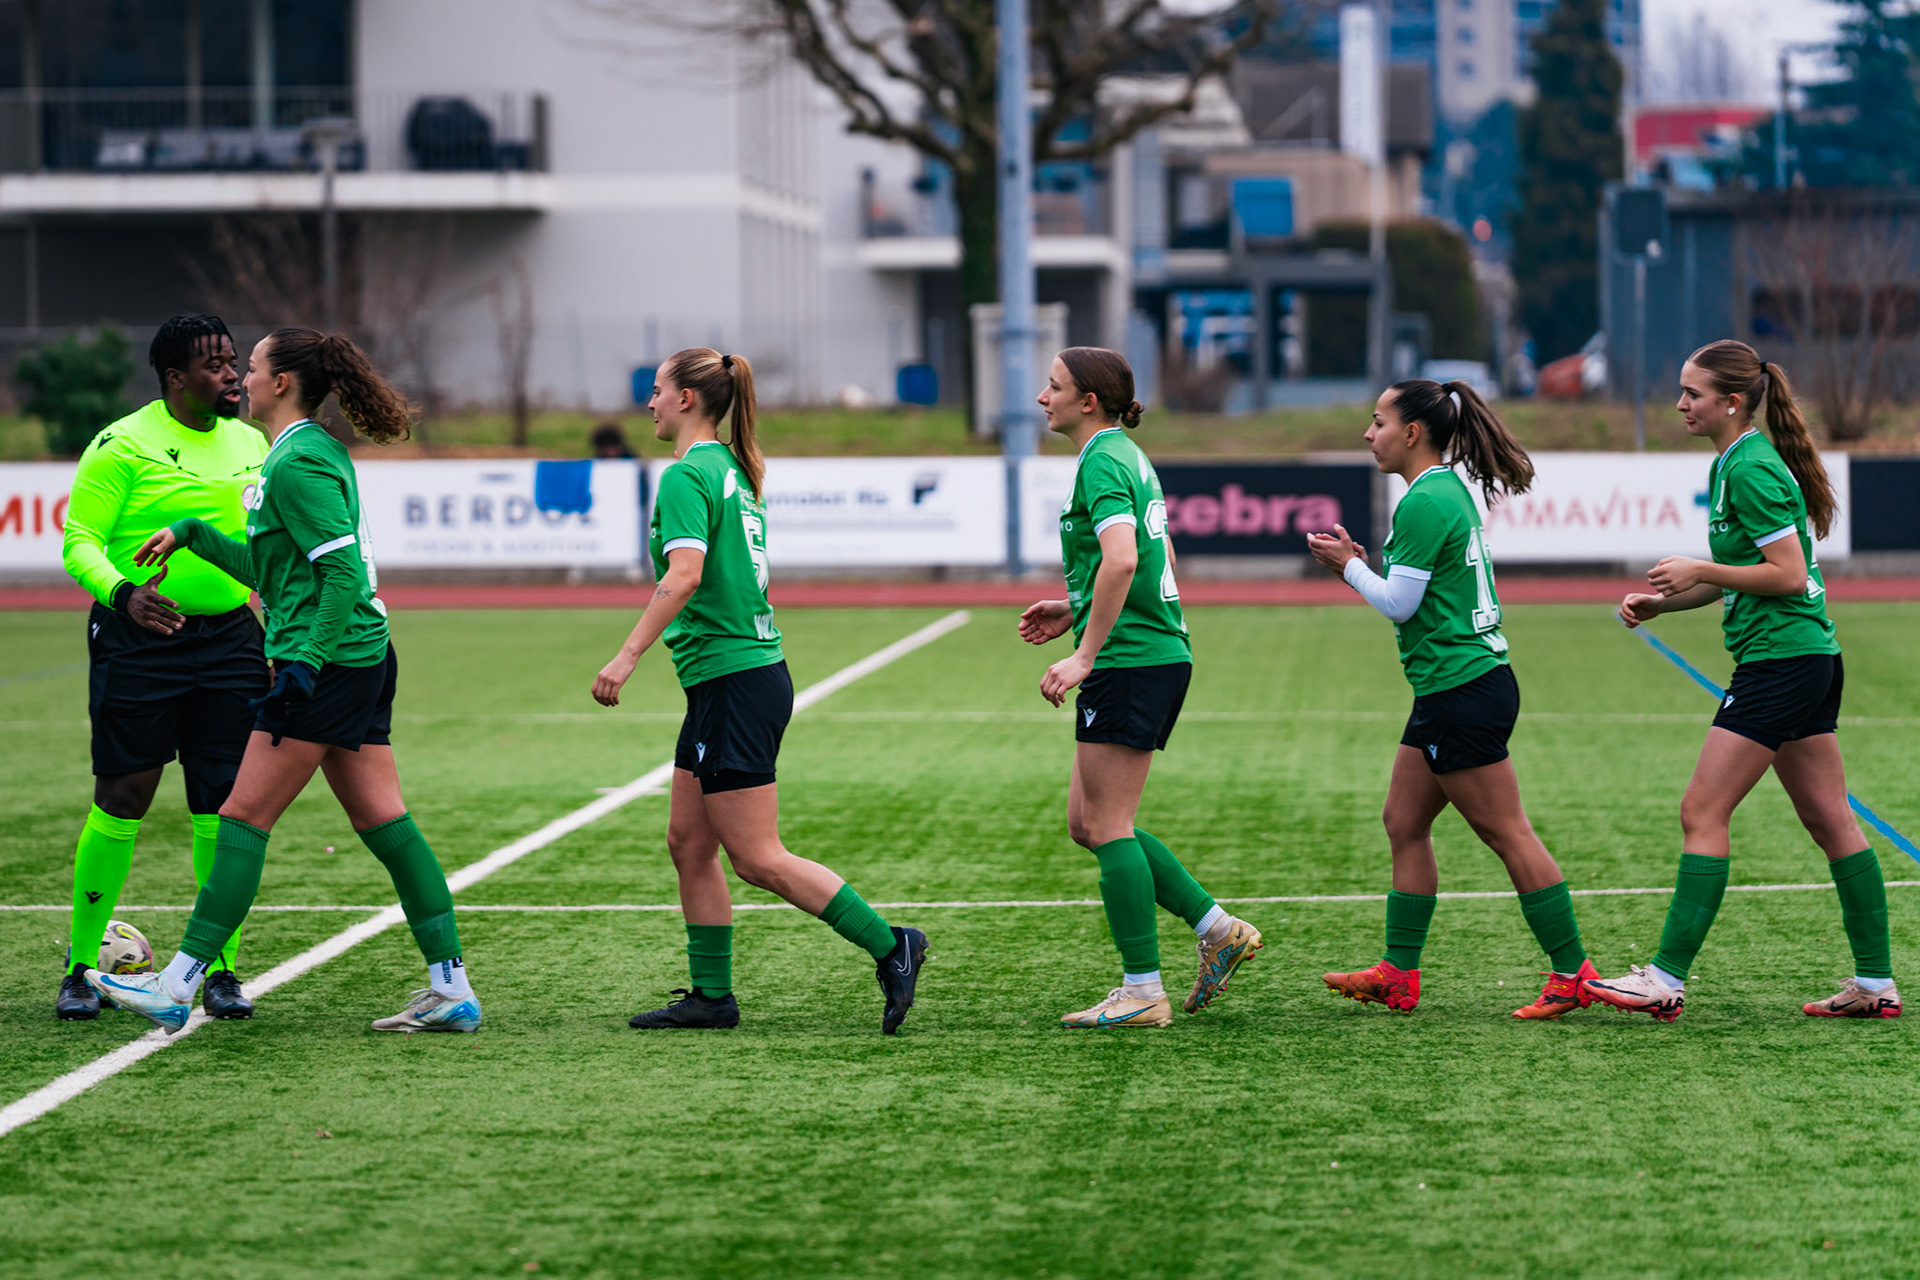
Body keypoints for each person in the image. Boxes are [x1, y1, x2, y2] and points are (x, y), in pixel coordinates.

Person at [83, 327, 483, 1035]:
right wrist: (194, 534)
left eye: (256, 365)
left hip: (326, 666)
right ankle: (449, 986)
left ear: (283, 384)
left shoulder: (296, 461)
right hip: (356, 656)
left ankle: (177, 985)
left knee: (240, 818)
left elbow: (341, 576)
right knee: (384, 821)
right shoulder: (299, 453)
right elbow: (279, 572)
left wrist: (303, 664)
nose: (244, 375)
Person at [591, 348, 928, 1034]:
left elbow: (684, 575)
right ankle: (711, 996)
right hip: (734, 680)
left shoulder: (691, 473)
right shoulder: (730, 470)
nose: (648, 403)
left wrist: (626, 657)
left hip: (734, 683)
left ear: (687, 400)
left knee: (756, 857)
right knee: (689, 841)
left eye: (656, 391)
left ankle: (893, 944)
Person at [1586, 342, 1897, 1022]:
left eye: (1691, 393)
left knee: (1702, 812)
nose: (1679, 404)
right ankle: (1875, 984)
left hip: (1782, 664)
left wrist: (1702, 569)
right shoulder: (1738, 462)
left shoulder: (1751, 467)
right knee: (1831, 820)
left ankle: (1663, 978)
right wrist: (1666, 602)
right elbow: (1754, 577)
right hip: (1803, 659)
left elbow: (1786, 575)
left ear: (1731, 401)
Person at [1307, 379, 1597, 1019]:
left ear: (1411, 433)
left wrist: (1347, 567)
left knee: (1508, 833)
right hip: (1453, 687)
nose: (1368, 433)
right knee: (1403, 821)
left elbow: (1399, 604)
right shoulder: (1441, 491)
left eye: (1377, 421)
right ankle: (1398, 972)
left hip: (1461, 688)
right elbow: (1417, 595)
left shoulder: (1423, 501)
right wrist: (1363, 563)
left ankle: (1573, 972)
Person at [1019, 347, 1262, 1030]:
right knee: (1087, 823)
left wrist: (1086, 654)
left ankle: (1142, 991)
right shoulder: (1124, 453)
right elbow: (1156, 559)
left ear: (1087, 401)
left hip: (1131, 660)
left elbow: (1125, 557)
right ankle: (1217, 929)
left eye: (1055, 386)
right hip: (1148, 651)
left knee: (1107, 825)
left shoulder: (1101, 459)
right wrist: (1075, 607)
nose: (1044, 397)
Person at [56, 315, 268, 1022]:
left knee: (226, 801)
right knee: (124, 793)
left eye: (234, 362)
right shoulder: (121, 445)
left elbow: (261, 545)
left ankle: (220, 970)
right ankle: (82, 967)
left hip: (231, 641)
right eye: (215, 366)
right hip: (137, 641)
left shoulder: (252, 442)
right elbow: (78, 542)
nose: (232, 375)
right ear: (176, 378)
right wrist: (123, 595)